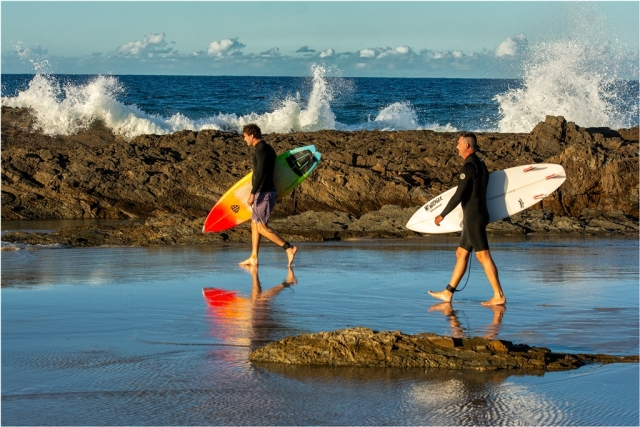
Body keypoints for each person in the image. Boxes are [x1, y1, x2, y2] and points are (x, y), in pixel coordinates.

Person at [428, 133, 506, 306]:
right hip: (478, 213)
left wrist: (442, 214)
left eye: (459, 144)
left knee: (483, 256)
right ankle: (448, 293)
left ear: (467, 146)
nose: (457, 147)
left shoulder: (469, 167)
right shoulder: (481, 164)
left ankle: (498, 295)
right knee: (461, 253)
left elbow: (459, 194)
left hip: (473, 217)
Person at [238, 123, 297, 267]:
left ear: (252, 136)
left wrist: (253, 194)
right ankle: (253, 257)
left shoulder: (262, 150)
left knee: (261, 227)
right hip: (264, 192)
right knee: (254, 224)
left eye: (245, 137)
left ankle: (288, 248)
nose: (244, 140)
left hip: (263, 193)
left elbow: (261, 174)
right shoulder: (266, 148)